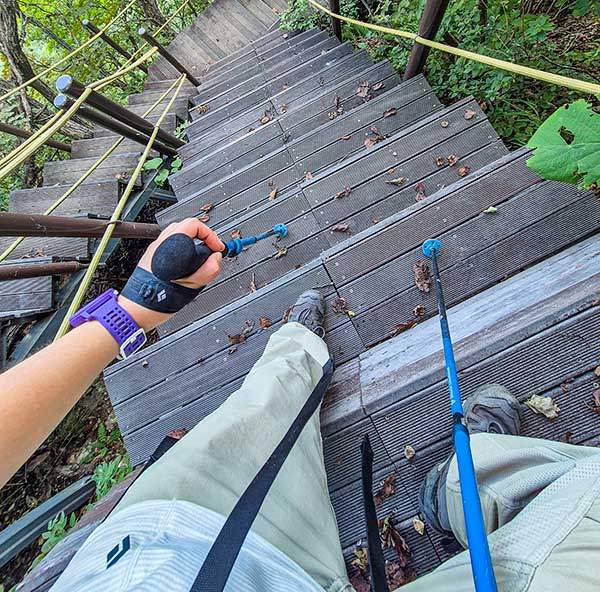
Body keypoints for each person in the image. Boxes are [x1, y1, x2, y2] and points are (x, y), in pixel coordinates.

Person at [0, 218, 598, 591]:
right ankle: (472, 482)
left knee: (269, 403)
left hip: (152, 544)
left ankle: (304, 349)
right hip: (188, 539)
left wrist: (137, 308)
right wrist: (130, 309)